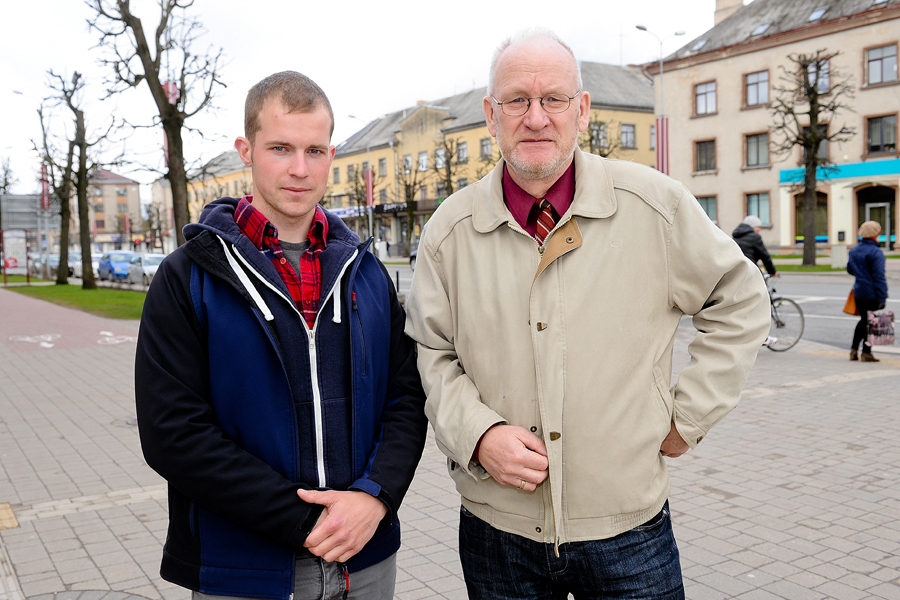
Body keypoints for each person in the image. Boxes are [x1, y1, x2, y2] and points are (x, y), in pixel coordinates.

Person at [404, 29, 771, 599]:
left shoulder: (655, 205)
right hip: (498, 531)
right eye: (516, 101)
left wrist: (688, 418)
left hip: (628, 528)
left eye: (553, 99)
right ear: (490, 114)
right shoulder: (448, 232)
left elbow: (741, 300)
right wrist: (477, 436)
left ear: (582, 110)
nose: (535, 117)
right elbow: (431, 351)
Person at [134, 71, 427, 600]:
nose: (299, 169)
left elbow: (406, 396)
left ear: (332, 154)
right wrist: (303, 521)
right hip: (243, 570)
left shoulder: (365, 272)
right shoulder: (187, 277)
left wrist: (375, 496)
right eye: (280, 148)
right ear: (246, 149)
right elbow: (172, 432)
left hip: (366, 561)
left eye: (315, 150)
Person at [847, 220, 889, 362]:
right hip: (872, 293)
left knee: (863, 320)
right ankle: (866, 352)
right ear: (876, 234)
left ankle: (853, 350)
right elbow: (879, 276)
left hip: (859, 291)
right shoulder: (876, 252)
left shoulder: (854, 250)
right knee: (872, 323)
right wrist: (883, 296)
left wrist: (861, 274)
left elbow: (850, 269)